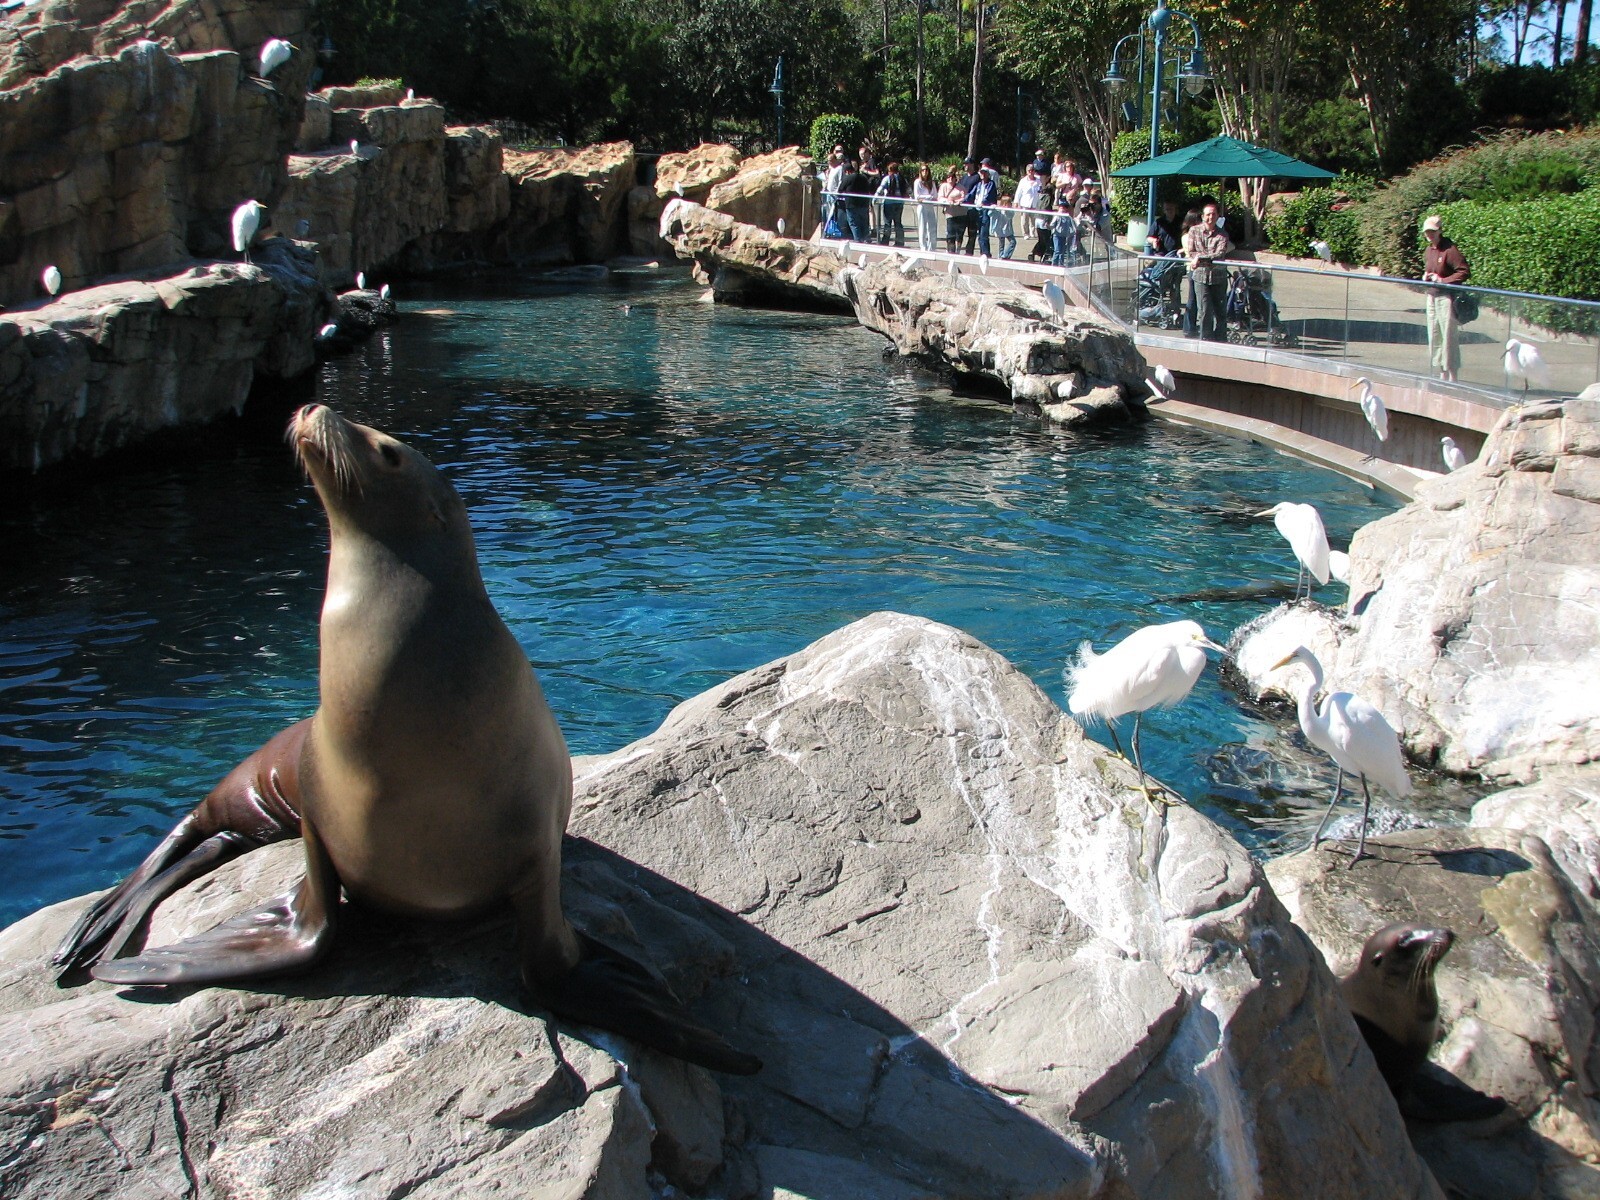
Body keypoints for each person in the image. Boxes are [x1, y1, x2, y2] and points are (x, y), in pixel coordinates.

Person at [1421, 214, 1470, 382]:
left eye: (1432, 232)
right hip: (1432, 296)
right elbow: (1432, 269)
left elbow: (1463, 271)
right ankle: (1441, 372)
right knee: (1434, 335)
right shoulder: (1429, 250)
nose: (1429, 235)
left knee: (1448, 336)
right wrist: (1427, 275)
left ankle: (1452, 375)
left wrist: (1443, 280)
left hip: (1446, 298)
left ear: (1440, 231)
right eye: (1427, 232)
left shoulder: (1450, 249)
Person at [1183, 201, 1233, 341]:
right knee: (1204, 310)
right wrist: (1198, 257)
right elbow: (1192, 251)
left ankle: (1221, 338)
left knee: (1220, 311)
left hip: (1218, 277)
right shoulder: (1194, 231)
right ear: (1203, 216)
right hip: (1200, 277)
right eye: (1208, 214)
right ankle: (1206, 338)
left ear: (1217, 216)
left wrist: (1200, 258)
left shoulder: (1223, 234)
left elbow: (1219, 254)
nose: (1211, 217)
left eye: (1213, 214)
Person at [874, 161, 909, 247]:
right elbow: (909, 190)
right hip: (899, 203)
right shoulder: (902, 179)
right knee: (898, 222)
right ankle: (900, 241)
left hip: (888, 203)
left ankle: (885, 241)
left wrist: (874, 198)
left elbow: (880, 189)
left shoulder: (887, 178)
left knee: (887, 223)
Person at [839, 158, 873, 243]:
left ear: (847, 171)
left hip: (851, 205)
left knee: (854, 223)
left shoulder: (847, 178)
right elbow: (868, 188)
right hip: (864, 204)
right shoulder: (863, 177)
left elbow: (840, 190)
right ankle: (866, 238)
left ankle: (857, 240)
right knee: (864, 222)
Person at [972, 161, 1000, 257]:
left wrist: (982, 203)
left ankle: (985, 253)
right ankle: (983, 252)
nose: (983, 175)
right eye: (981, 173)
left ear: (988, 174)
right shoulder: (979, 184)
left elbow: (988, 197)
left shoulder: (991, 184)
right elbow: (971, 194)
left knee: (984, 233)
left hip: (985, 210)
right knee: (979, 234)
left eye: (985, 173)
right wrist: (962, 200)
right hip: (977, 210)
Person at [957, 158, 983, 253]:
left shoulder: (977, 177)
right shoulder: (963, 177)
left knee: (972, 232)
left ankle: (969, 252)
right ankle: (957, 250)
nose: (965, 166)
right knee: (960, 230)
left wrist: (965, 198)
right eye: (965, 164)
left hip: (972, 208)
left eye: (967, 164)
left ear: (972, 165)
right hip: (962, 208)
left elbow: (974, 192)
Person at [913, 164, 940, 252]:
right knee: (922, 227)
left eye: (926, 170)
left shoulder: (931, 183)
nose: (925, 172)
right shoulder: (918, 182)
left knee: (932, 227)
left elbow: (935, 195)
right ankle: (923, 247)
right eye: (923, 170)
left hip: (930, 206)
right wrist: (929, 197)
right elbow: (917, 196)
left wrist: (926, 197)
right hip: (922, 206)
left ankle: (932, 247)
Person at [939, 166, 966, 254]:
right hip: (950, 214)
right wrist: (948, 201)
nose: (950, 179)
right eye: (948, 177)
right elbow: (940, 198)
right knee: (950, 233)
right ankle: (951, 250)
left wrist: (958, 201)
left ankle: (958, 250)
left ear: (955, 179)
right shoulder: (943, 186)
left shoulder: (961, 187)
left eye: (952, 177)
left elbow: (965, 197)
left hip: (961, 213)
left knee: (959, 233)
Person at [822, 149, 846, 237]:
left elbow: (840, 181)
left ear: (835, 160)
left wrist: (837, 192)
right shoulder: (831, 169)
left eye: (831, 161)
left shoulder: (840, 169)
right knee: (828, 213)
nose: (829, 162)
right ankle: (829, 231)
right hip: (829, 193)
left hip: (835, 195)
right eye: (828, 161)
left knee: (833, 213)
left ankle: (835, 231)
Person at [1051, 193, 1077, 266]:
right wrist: (1050, 227)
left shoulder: (1068, 217)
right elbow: (1052, 225)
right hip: (1057, 235)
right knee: (1057, 250)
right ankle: (1054, 264)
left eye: (1064, 207)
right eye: (1061, 207)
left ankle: (1061, 264)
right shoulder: (1057, 216)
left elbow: (1072, 225)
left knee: (1062, 251)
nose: (1063, 209)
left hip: (1064, 235)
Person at [994, 192, 1017, 259]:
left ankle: (1005, 255)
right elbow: (991, 214)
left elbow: (1010, 215)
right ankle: (1001, 255)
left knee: (1013, 242)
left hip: (1008, 230)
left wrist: (1006, 210)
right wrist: (993, 208)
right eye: (1009, 203)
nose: (1011, 204)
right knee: (1001, 244)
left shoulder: (1010, 211)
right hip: (1000, 230)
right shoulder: (999, 210)